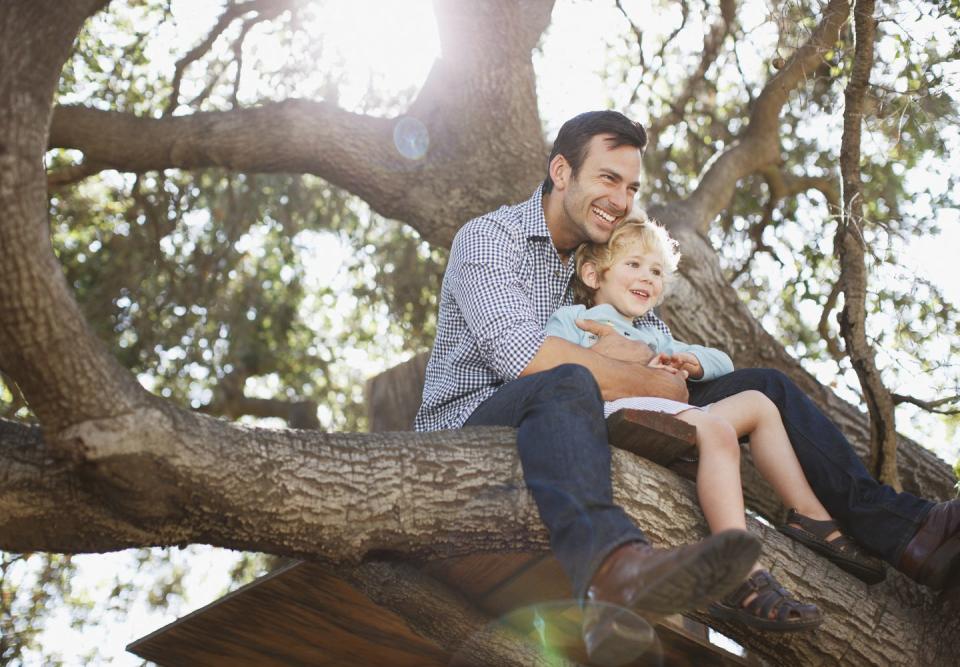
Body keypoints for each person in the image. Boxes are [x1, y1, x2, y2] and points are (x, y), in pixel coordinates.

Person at [415, 110, 960, 664]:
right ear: (561, 171)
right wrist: (655, 382)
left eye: (631, 187)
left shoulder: (581, 264)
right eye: (608, 179)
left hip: (577, 412)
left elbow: (630, 363)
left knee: (764, 386)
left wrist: (668, 375)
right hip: (473, 430)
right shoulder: (491, 239)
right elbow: (522, 357)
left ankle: (901, 529)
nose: (622, 199)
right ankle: (611, 568)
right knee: (568, 379)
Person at [546, 216, 885, 631]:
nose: (647, 278)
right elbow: (552, 369)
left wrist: (691, 363)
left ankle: (810, 515)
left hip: (667, 417)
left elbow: (723, 362)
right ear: (593, 273)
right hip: (616, 417)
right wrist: (610, 358)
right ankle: (742, 573)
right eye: (633, 265)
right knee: (717, 430)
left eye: (656, 272)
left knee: (758, 404)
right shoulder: (574, 319)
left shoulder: (655, 334)